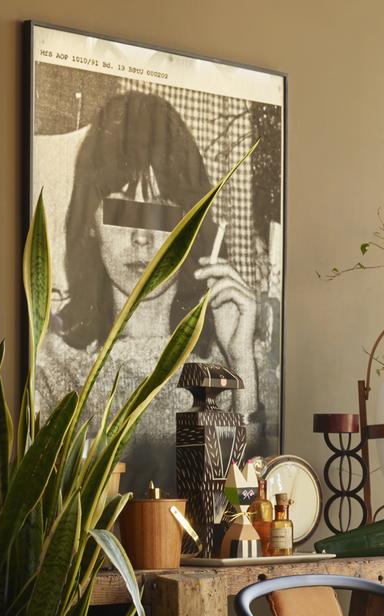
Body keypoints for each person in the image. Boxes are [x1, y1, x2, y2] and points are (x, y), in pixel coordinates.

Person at [37, 90, 261, 493]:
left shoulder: (234, 355)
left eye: (160, 211)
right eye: (121, 208)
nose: (141, 238)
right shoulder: (54, 366)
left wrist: (242, 361)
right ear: (90, 221)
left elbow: (245, 504)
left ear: (192, 223)